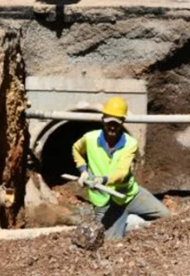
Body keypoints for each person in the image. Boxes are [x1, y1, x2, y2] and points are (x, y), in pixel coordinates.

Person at [71, 97, 170, 239]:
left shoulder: (130, 144)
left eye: (116, 124)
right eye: (109, 123)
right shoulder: (90, 138)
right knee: (110, 244)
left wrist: (103, 180)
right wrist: (83, 171)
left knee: (166, 217)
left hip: (129, 194)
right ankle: (126, 227)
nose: (112, 127)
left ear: (123, 122)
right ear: (103, 120)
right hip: (104, 202)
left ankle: (133, 224)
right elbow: (76, 149)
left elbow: (122, 173)